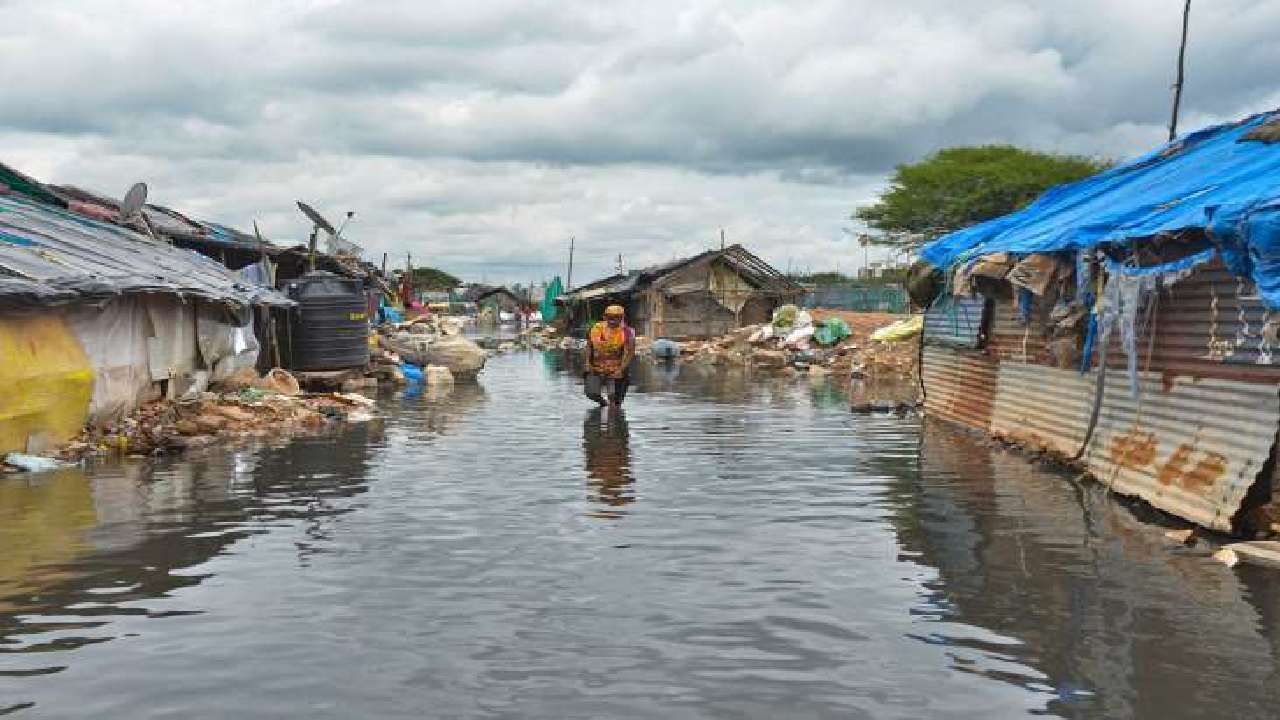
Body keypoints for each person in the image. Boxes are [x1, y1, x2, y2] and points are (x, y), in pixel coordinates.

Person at [584, 304, 635, 407]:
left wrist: (621, 369)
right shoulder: (595, 329)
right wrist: (587, 363)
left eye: (617, 317)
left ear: (621, 318)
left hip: (616, 368)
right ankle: (604, 404)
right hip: (596, 367)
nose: (613, 320)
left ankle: (614, 417)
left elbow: (629, 352)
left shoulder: (627, 332)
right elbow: (589, 347)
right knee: (591, 393)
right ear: (605, 317)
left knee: (615, 399)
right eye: (610, 317)